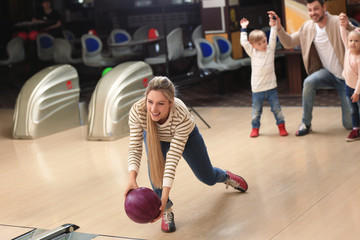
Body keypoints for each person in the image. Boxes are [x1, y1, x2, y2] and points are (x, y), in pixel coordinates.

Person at [124, 76, 248, 233]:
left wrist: (163, 195)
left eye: (160, 103)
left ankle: (224, 176)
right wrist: (132, 179)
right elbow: (134, 147)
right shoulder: (138, 111)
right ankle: (166, 211)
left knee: (207, 178)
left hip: (187, 137)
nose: (154, 109)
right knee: (155, 172)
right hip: (155, 137)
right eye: (150, 102)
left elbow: (172, 160)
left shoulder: (180, 113)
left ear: (171, 102)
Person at [268, 0, 355, 136]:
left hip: (347, 78)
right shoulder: (307, 27)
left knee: (349, 124)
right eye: (310, 10)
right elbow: (288, 42)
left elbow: (356, 35)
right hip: (328, 74)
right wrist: (279, 28)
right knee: (309, 82)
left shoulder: (337, 21)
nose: (313, 13)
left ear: (324, 7)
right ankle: (305, 123)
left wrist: (348, 26)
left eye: (316, 9)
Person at [240, 17, 288, 138]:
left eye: (264, 41)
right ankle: (255, 128)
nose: (263, 45)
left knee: (277, 110)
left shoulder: (270, 49)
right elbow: (244, 42)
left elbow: (273, 36)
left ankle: (281, 127)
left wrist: (273, 25)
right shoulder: (253, 52)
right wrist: (244, 28)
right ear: (253, 45)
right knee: (256, 111)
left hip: (271, 88)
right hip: (257, 89)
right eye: (259, 43)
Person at [339, 13, 360, 141]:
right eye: (351, 40)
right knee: (352, 111)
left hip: (358, 89)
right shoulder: (347, 49)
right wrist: (342, 24)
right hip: (348, 87)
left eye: (356, 41)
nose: (352, 43)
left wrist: (357, 92)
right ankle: (356, 129)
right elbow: (343, 36)